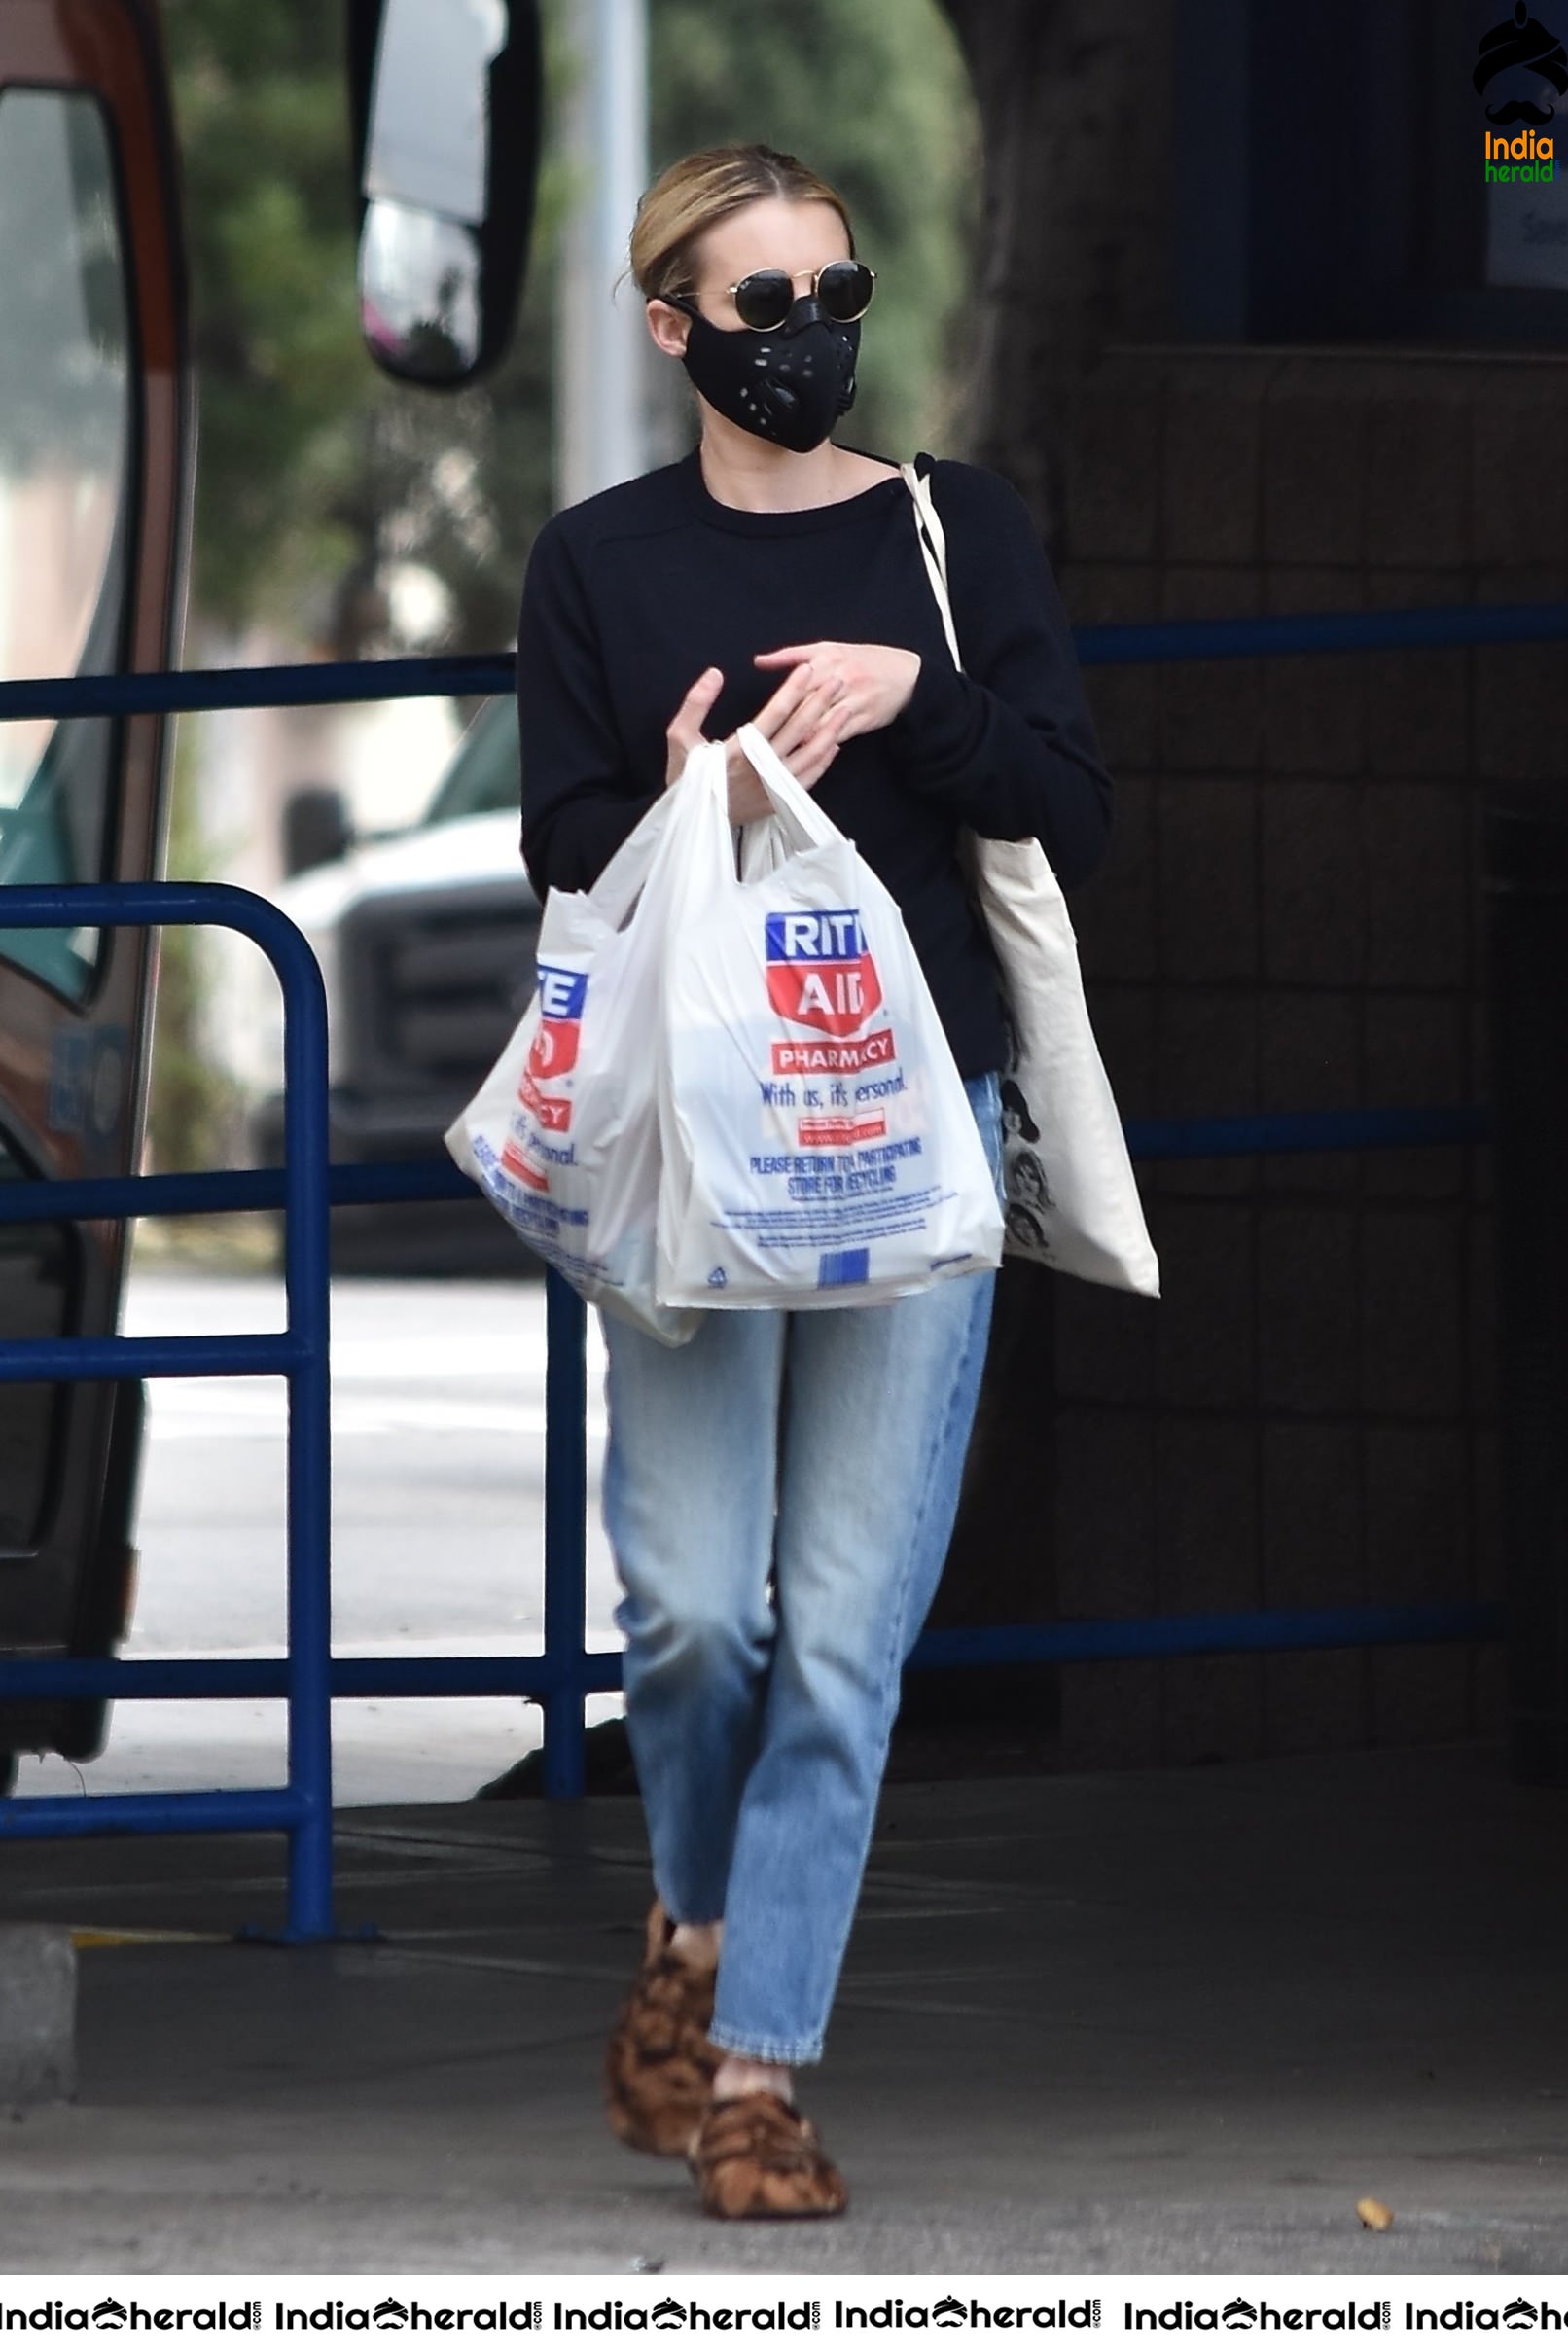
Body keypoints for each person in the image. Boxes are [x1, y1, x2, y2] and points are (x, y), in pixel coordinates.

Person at [516, 142, 1113, 2222]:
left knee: (845, 1635)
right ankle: (688, 1923)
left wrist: (916, 701)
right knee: (690, 1610)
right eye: (760, 307)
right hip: (692, 1152)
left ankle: (753, 2072)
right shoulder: (595, 564)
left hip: (914, 1130)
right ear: (671, 326)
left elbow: (1066, 802)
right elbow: (560, 849)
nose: (808, 340)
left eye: (833, 293)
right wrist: (681, 796)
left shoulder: (955, 536)